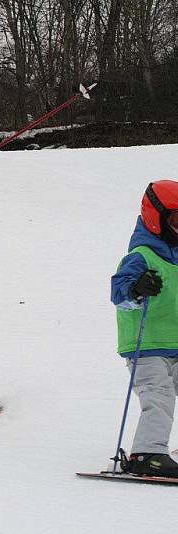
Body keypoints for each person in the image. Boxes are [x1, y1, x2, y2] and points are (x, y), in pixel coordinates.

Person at [111, 180, 178, 477]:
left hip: (175, 342)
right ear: (156, 217)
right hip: (147, 346)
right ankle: (147, 454)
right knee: (159, 394)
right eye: (176, 220)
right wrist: (137, 289)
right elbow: (118, 293)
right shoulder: (141, 255)